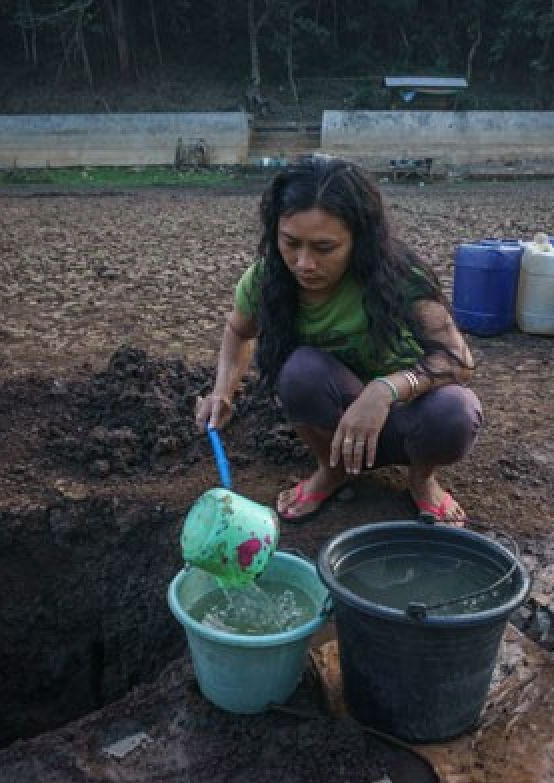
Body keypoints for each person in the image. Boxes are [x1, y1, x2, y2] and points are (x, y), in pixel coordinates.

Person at [195, 155, 481, 526]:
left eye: (324, 248)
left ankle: (422, 480)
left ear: (359, 240)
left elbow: (458, 360)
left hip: (409, 421)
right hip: (335, 423)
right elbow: (238, 331)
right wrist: (222, 392)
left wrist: (384, 390)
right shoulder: (268, 281)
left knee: (456, 412)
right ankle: (332, 471)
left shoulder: (399, 277)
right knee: (298, 371)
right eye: (291, 243)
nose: (304, 263)